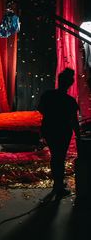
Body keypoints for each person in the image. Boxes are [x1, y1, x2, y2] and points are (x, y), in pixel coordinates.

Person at [38, 68, 80, 198]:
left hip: (49, 129)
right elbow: (74, 121)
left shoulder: (47, 95)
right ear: (70, 84)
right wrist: (79, 135)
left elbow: (40, 109)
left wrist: (51, 117)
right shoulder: (70, 101)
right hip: (62, 131)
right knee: (60, 157)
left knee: (55, 157)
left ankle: (58, 184)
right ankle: (59, 186)